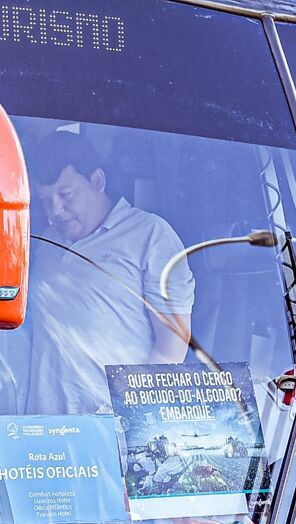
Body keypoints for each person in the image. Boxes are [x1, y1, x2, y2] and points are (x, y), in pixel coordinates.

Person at [24, 131, 196, 414]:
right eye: (46, 199)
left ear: (97, 181)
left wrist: (131, 417)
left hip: (112, 432)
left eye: (65, 195)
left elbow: (171, 349)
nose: (55, 209)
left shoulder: (150, 235)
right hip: (44, 432)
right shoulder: (45, 243)